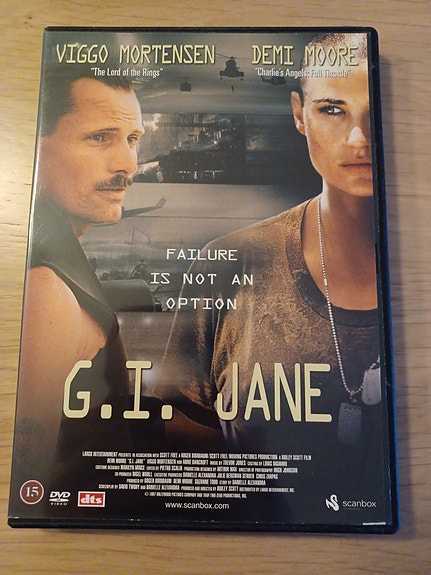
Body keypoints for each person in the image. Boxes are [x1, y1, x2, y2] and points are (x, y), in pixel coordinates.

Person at [157, 33, 388, 522]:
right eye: (332, 109)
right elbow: (178, 430)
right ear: (299, 114)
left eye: (374, 112)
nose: (358, 138)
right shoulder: (230, 262)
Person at [12, 65, 149, 494]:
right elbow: (31, 486)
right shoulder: (46, 290)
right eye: (99, 137)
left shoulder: (58, 259)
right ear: (37, 150)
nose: (128, 164)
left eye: (132, 139)